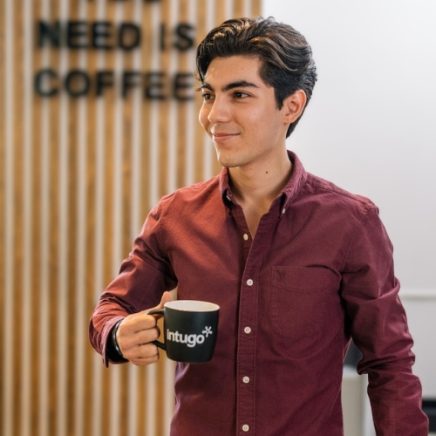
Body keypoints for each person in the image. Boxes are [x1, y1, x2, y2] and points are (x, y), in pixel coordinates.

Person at [89, 17, 429, 435]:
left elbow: (390, 363)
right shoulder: (175, 216)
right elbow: (111, 309)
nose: (214, 114)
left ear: (292, 106)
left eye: (240, 94)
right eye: (208, 94)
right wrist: (117, 334)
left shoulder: (351, 224)